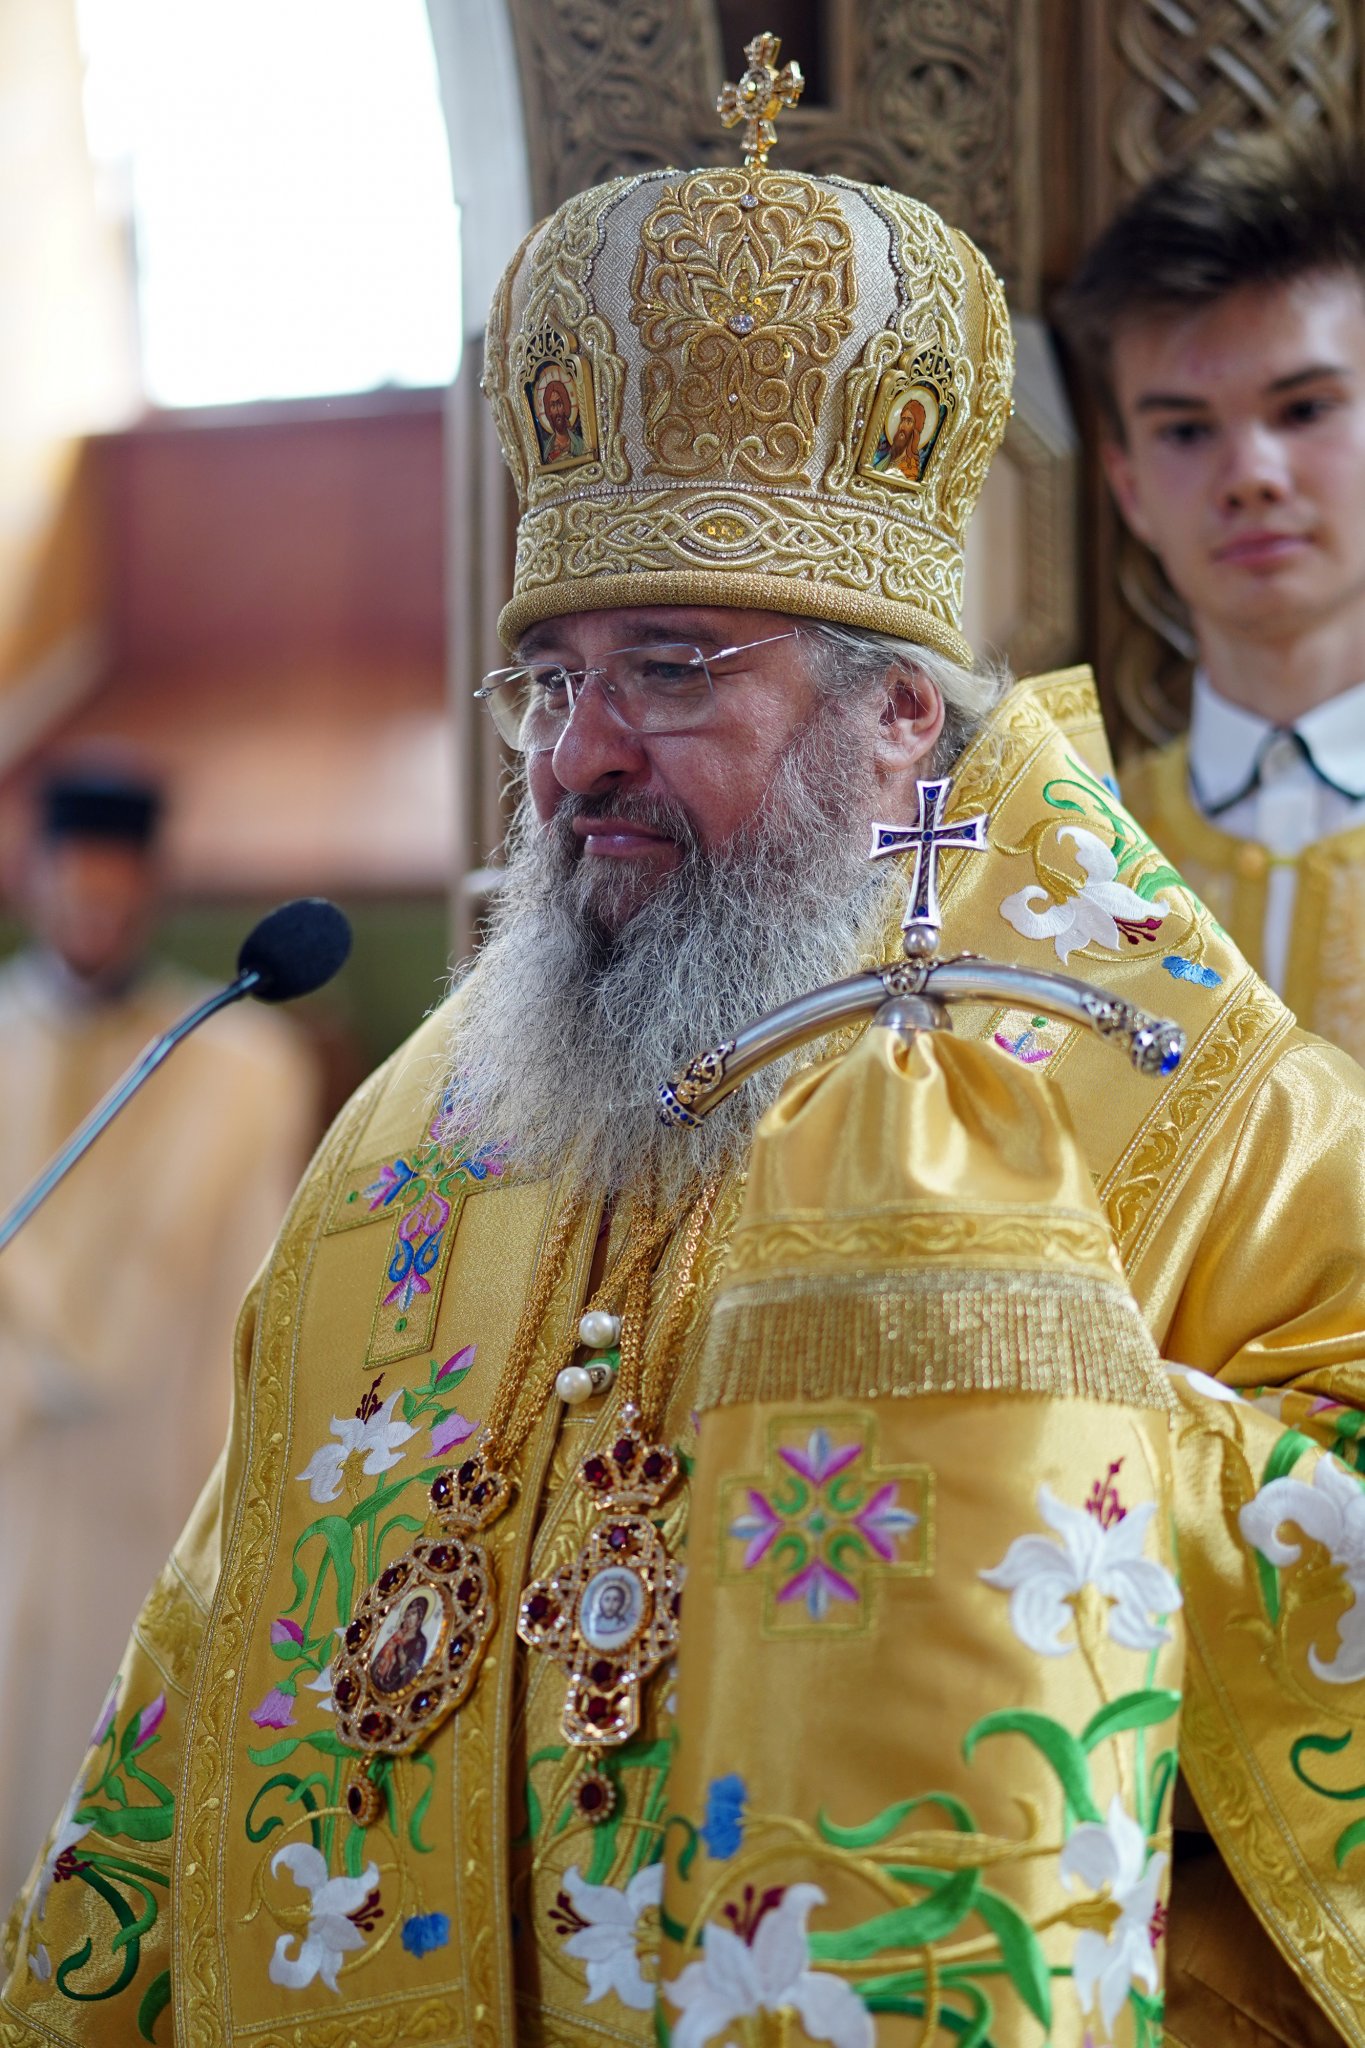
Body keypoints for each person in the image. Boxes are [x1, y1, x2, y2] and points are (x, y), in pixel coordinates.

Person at [4, 103, 1365, 2048]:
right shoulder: (417, 1136)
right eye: (548, 680)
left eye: (666, 667)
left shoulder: (1166, 1080)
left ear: (897, 712)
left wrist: (1029, 1425)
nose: (572, 755)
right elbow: (215, 1661)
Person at [0, 765, 318, 1906]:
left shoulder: (240, 1065)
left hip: (153, 1491)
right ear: (31, 880)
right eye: (70, 883)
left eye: (115, 886)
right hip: (8, 1493)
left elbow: (250, 1289)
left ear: (151, 890)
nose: (92, 909)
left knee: (111, 1821)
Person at [1062, 133, 1365, 1061]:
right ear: (1126, 486)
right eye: (1187, 430)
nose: (1250, 477)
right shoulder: (1075, 856)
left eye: (1304, 410)